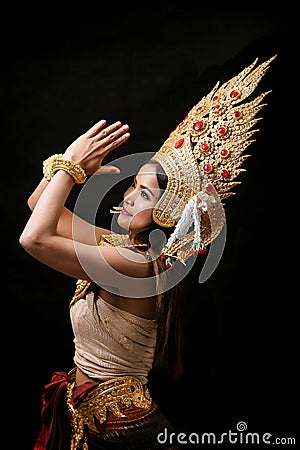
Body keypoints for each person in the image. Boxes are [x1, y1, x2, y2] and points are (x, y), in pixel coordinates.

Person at [19, 54, 276, 450]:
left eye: (143, 193)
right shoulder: (125, 248)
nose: (127, 195)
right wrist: (69, 169)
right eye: (132, 184)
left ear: (168, 213)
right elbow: (41, 209)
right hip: (93, 418)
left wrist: (70, 169)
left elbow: (33, 240)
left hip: (123, 432)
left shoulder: (135, 266)